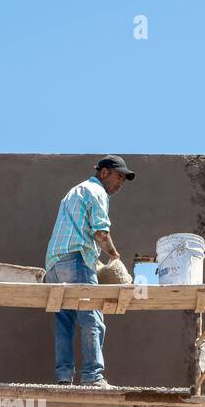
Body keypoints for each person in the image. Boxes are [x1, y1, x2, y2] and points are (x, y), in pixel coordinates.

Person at [43, 155, 136, 387]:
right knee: (92, 319)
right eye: (118, 176)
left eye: (124, 179)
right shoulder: (97, 192)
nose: (120, 183)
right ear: (103, 172)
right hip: (76, 262)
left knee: (64, 321)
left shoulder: (73, 192)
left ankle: (64, 377)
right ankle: (93, 376)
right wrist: (114, 256)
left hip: (54, 266)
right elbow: (101, 234)